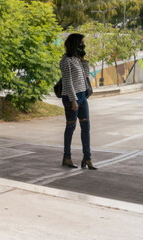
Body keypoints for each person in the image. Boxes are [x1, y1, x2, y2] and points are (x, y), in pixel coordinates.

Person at [60, 33, 97, 170]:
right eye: (82, 43)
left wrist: (83, 60)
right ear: (75, 43)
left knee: (86, 127)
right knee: (71, 127)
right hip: (72, 97)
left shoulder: (76, 59)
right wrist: (73, 99)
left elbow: (86, 76)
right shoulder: (66, 60)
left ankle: (87, 158)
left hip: (82, 96)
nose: (83, 45)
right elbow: (68, 81)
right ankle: (67, 157)